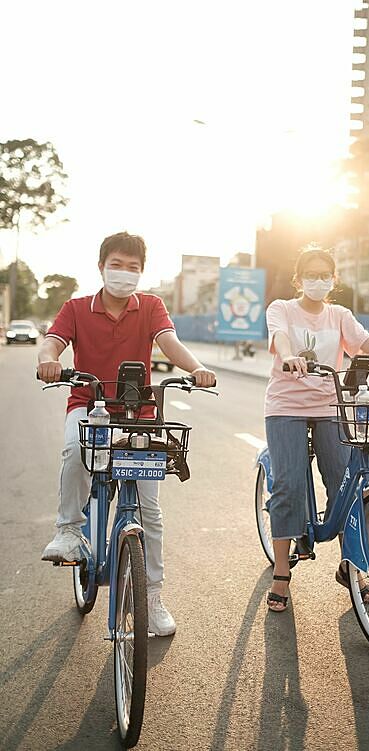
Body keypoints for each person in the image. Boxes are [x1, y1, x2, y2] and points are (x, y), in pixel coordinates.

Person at [37, 231, 216, 635]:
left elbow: (169, 342)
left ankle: (151, 600)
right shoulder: (77, 307)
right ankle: (68, 531)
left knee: (149, 511)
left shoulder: (151, 305)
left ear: (142, 273)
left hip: (140, 411)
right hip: (91, 404)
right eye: (116, 265)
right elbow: (52, 343)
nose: (124, 273)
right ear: (101, 267)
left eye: (133, 268)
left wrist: (195, 368)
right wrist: (48, 361)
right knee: (73, 448)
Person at [264, 245, 369, 612]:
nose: (318, 281)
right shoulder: (283, 309)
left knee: (346, 483)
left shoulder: (339, 314)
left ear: (333, 279)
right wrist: (287, 357)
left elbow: (363, 341)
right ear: (298, 279)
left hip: (329, 404)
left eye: (325, 275)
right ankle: (282, 572)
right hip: (286, 405)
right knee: (289, 484)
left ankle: (352, 567)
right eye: (311, 275)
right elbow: (279, 337)